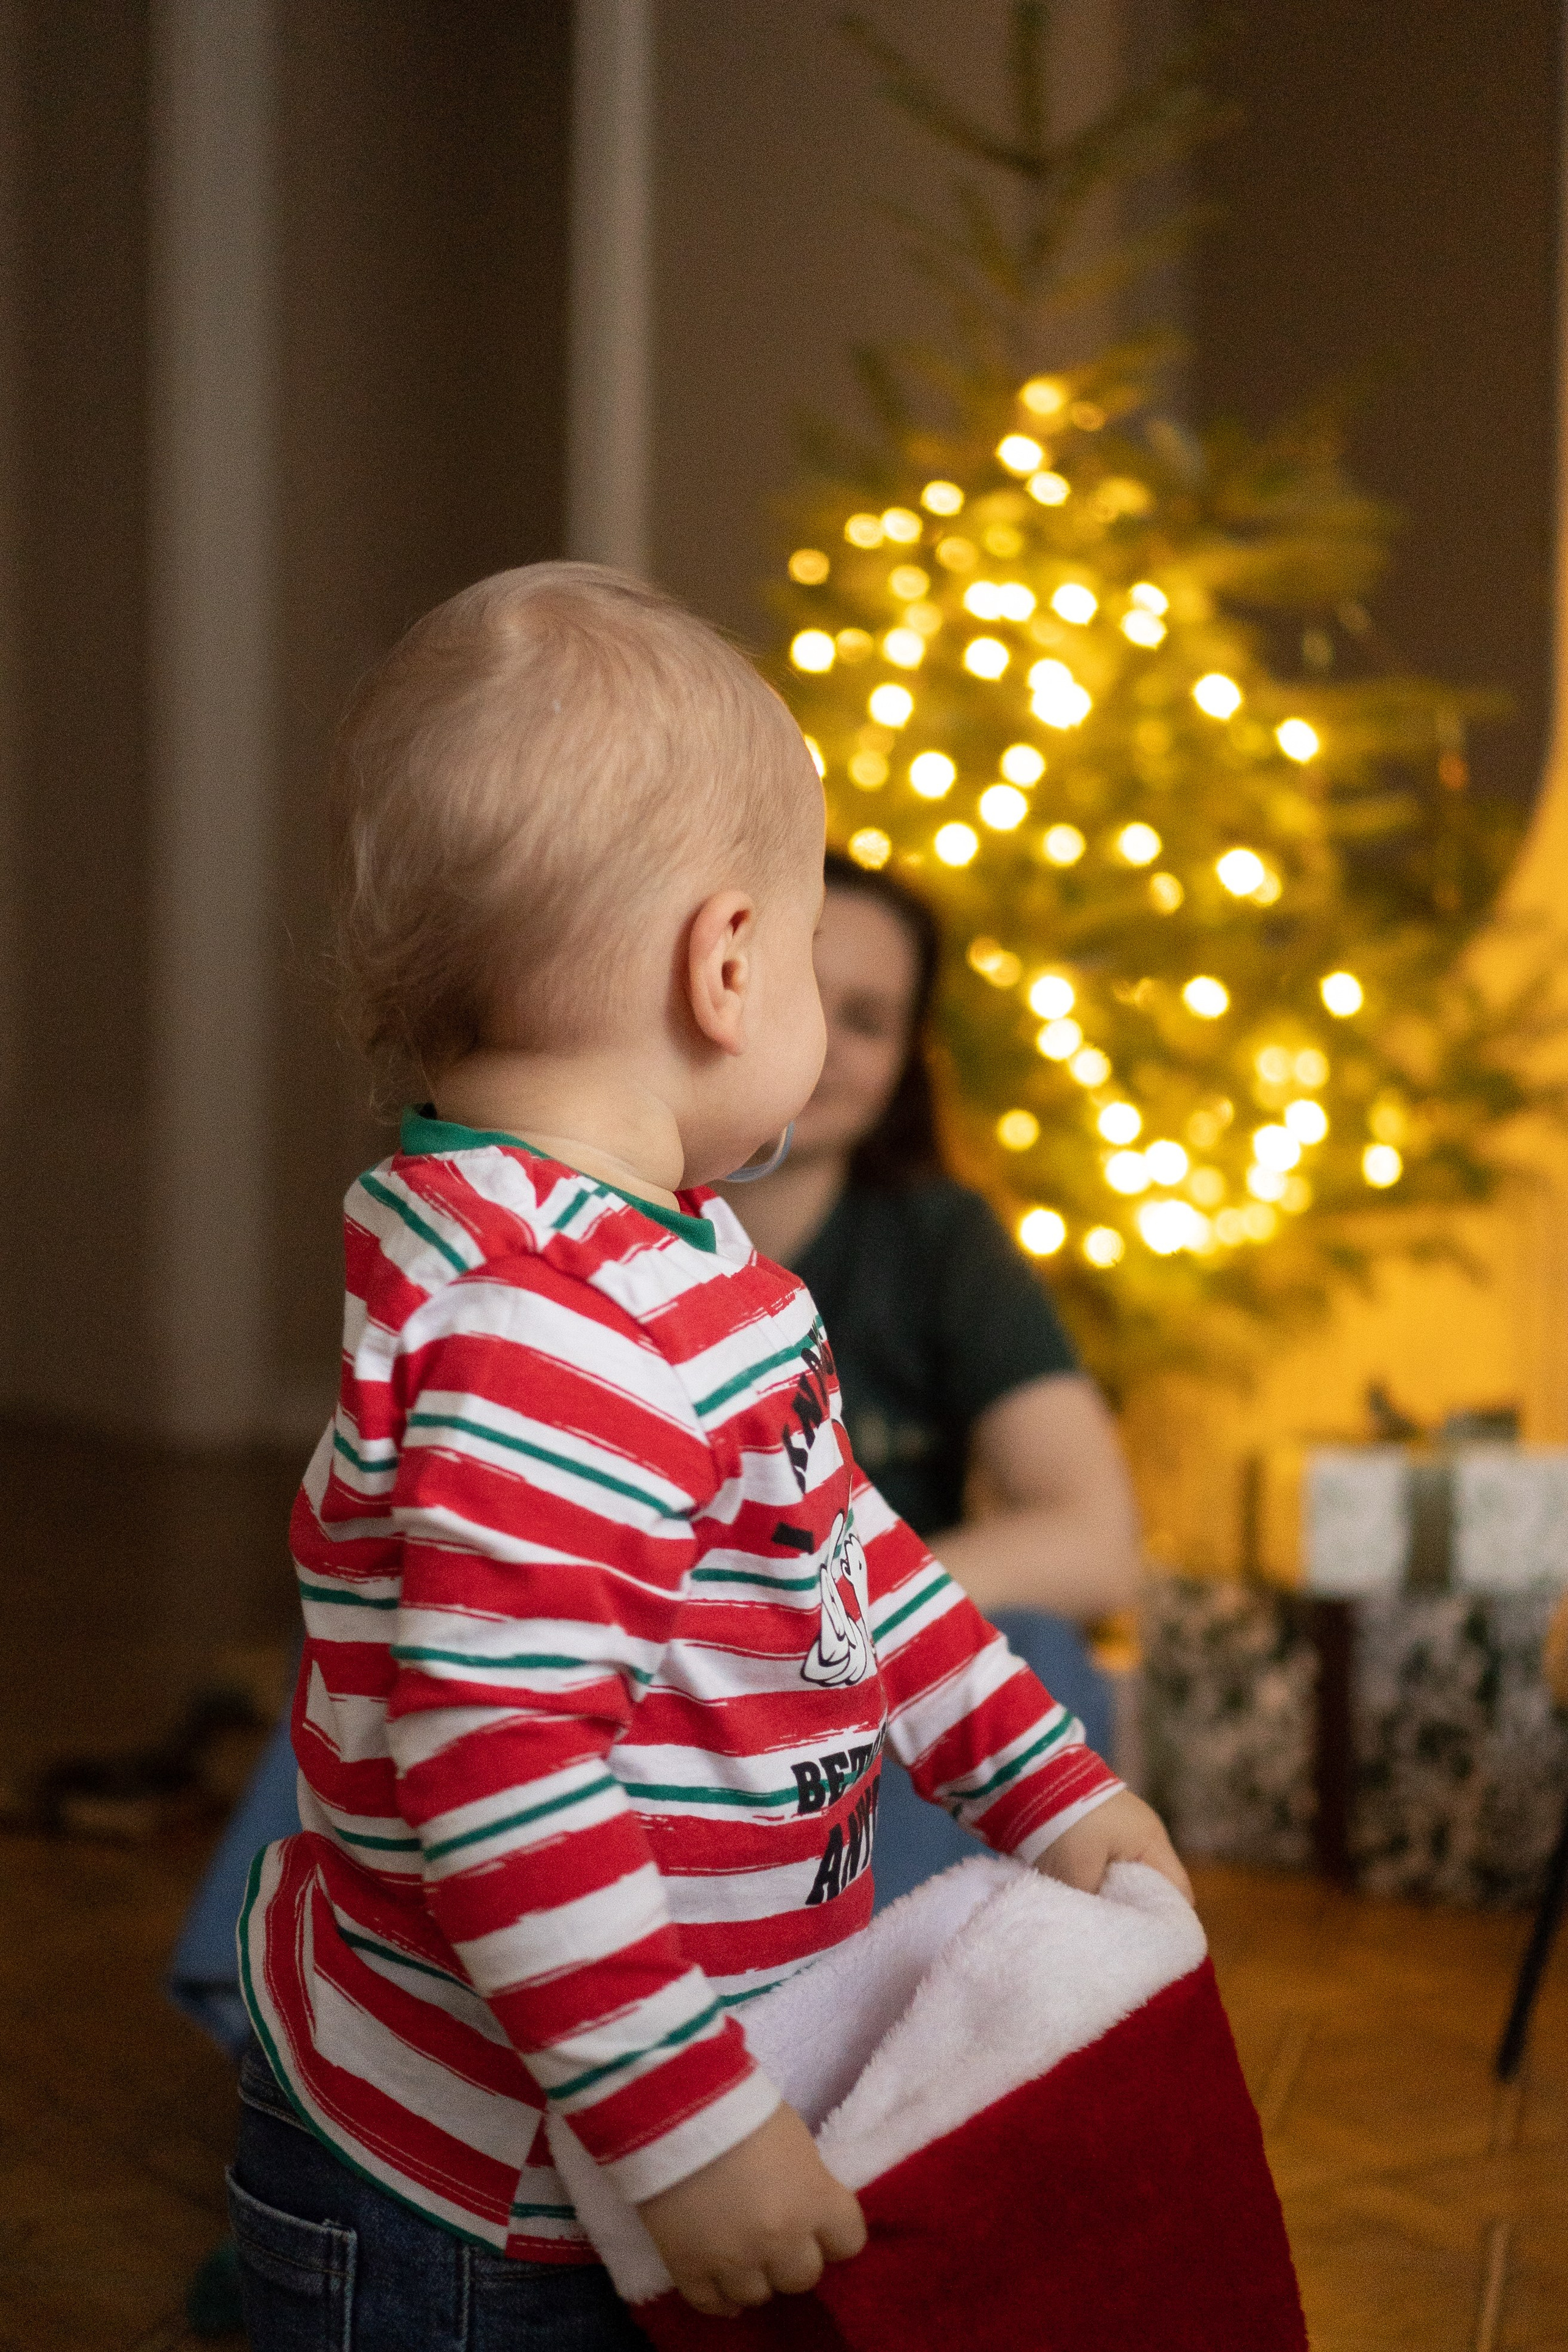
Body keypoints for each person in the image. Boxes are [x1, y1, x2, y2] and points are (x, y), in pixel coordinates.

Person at [230, 562, 1190, 2349]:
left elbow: (857, 1564)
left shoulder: (667, 1255)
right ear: (731, 963)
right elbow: (500, 1775)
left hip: (612, 2126)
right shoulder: (547, 1333)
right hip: (485, 2195)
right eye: (820, 964)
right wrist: (693, 2130)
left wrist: (1044, 1783)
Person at [720, 851, 1142, 1905]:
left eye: (867, 1020)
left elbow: (1097, 1540)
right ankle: (288, 2005)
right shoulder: (589, 1224)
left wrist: (846, 1619)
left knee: (1035, 1649)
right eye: (797, 993)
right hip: (648, 1676)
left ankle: (874, 2013)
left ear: (908, 1061)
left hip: (865, 1691)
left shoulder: (942, 1241)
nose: (820, 1044)